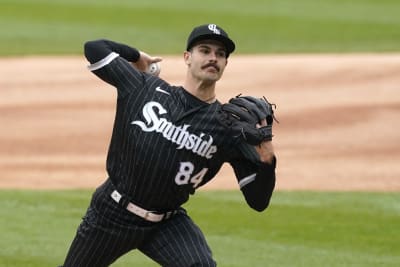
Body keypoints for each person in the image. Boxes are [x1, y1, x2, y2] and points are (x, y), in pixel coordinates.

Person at [60, 23, 277, 267]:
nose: (213, 58)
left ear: (226, 64)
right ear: (187, 57)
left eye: (220, 54)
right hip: (111, 214)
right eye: (204, 50)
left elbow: (258, 202)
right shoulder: (144, 88)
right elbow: (95, 48)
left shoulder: (228, 127)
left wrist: (267, 158)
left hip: (166, 224)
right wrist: (136, 56)